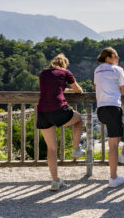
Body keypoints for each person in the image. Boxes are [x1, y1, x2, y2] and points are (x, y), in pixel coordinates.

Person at [36, 53, 85, 191]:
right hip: (58, 109)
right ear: (64, 64)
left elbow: (52, 90)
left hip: (43, 112)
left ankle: (56, 181)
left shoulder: (44, 73)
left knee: (51, 148)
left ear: (53, 63)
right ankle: (76, 149)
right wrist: (75, 89)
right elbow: (78, 90)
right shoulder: (65, 72)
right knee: (79, 118)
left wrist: (64, 89)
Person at [94, 47, 124, 188]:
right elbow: (123, 92)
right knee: (113, 145)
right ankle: (113, 178)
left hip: (101, 109)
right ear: (108, 58)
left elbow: (97, 87)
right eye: (116, 56)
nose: (118, 58)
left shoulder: (97, 70)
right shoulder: (118, 70)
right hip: (114, 108)